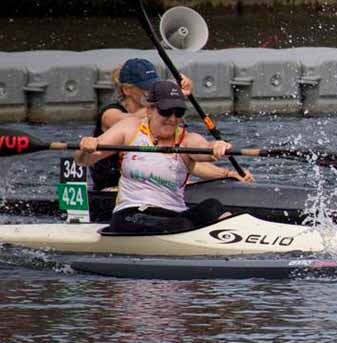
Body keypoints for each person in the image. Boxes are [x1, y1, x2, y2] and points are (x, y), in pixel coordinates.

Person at [76, 81, 235, 234]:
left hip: (174, 213)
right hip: (130, 214)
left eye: (178, 112)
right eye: (165, 111)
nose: (172, 119)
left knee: (212, 206)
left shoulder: (186, 139)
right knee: (182, 225)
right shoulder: (130, 128)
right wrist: (86, 149)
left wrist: (215, 147)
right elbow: (83, 160)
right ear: (149, 110)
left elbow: (204, 149)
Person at [90, 58, 252, 190]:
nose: (152, 91)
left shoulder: (160, 122)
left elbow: (187, 162)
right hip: (112, 190)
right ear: (126, 90)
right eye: (147, 88)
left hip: (150, 184)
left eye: (154, 86)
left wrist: (227, 174)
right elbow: (129, 121)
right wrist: (170, 95)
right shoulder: (110, 114)